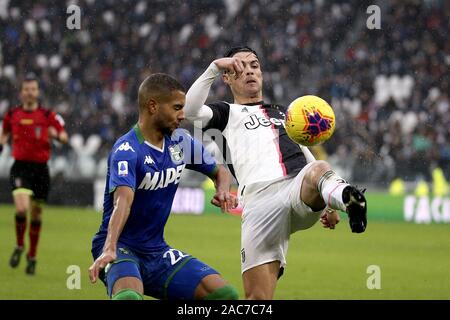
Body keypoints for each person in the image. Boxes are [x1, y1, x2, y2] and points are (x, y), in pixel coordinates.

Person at [184, 46, 367, 300]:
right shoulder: (225, 114)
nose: (249, 71)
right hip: (258, 203)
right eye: (240, 67)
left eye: (255, 65)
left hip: (295, 188)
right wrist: (214, 67)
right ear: (227, 77)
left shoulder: (285, 112)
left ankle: (349, 198)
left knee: (319, 168)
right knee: (257, 300)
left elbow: (307, 157)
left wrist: (329, 206)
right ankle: (341, 195)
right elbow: (190, 111)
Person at [89, 73, 239, 300]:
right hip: (120, 247)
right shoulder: (127, 151)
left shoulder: (180, 141)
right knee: (129, 298)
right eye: (177, 107)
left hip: (157, 250)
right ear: (153, 106)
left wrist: (222, 189)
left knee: (224, 295)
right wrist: (110, 247)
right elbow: (123, 201)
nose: (183, 115)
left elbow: (220, 171)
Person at [0, 76, 68, 275]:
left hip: (41, 170)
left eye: (33, 89)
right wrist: (2, 142)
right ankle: (20, 245)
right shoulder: (12, 114)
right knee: (22, 209)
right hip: (20, 168)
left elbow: (64, 136)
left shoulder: (48, 115)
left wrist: (56, 135)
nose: (30, 92)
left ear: (37, 92)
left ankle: (32, 255)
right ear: (21, 92)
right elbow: (4, 132)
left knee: (36, 214)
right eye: (26, 89)